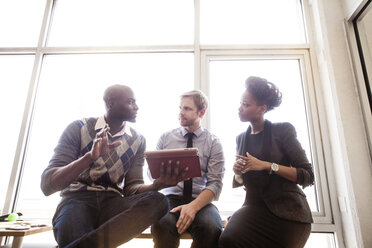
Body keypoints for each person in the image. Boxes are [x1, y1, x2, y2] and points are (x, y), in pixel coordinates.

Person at [41, 84, 186, 248]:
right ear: (110, 102)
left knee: (159, 201)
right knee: (71, 235)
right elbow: (48, 185)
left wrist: (157, 184)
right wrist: (89, 157)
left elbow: (131, 188)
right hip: (76, 200)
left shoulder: (138, 140)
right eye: (130, 102)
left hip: (113, 203)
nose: (136, 107)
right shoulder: (78, 128)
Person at [218, 76, 314, 248]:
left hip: (289, 212)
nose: (240, 108)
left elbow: (307, 175)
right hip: (253, 207)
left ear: (262, 108)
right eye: (241, 103)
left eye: (246, 105)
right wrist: (239, 174)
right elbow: (243, 181)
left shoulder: (282, 131)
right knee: (227, 240)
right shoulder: (241, 138)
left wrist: (267, 165)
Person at [150, 90, 225, 248]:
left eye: (187, 109)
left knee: (211, 228)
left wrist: (192, 207)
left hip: (200, 201)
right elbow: (151, 175)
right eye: (180, 108)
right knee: (160, 224)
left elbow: (215, 184)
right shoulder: (165, 138)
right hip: (170, 199)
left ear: (201, 112)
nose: (181, 113)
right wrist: (161, 179)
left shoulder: (213, 143)